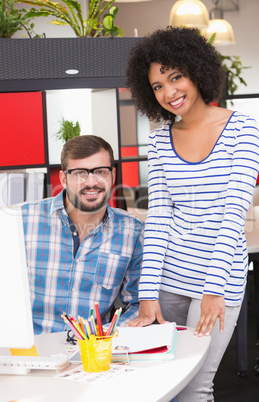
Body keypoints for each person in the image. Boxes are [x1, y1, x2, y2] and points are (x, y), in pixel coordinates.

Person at [126, 26, 259, 401]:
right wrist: (147, 293)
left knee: (195, 388)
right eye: (157, 86)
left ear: (196, 71)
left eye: (175, 77)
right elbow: (159, 218)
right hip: (169, 279)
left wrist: (214, 289)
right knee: (160, 385)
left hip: (216, 285)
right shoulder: (159, 139)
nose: (169, 93)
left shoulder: (243, 129)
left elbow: (234, 214)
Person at [22, 135, 144, 334]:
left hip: (94, 353)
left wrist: (104, 337)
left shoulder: (132, 231)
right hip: (31, 350)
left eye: (101, 172)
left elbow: (138, 304)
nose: (91, 182)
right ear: (63, 178)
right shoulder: (25, 220)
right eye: (80, 173)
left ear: (112, 175)